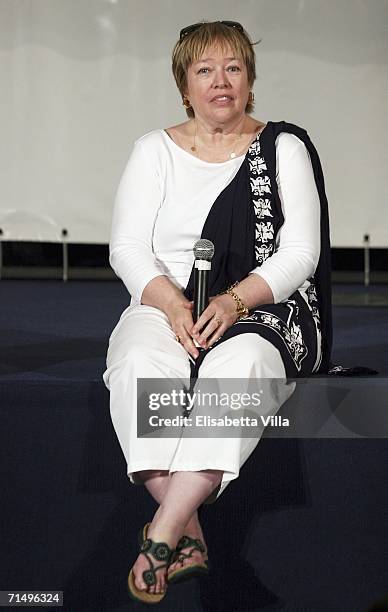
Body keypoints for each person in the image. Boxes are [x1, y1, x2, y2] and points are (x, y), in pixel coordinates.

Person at [102, 20, 328, 604]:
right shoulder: (153, 150)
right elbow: (127, 248)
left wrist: (232, 300)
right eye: (205, 70)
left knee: (238, 368)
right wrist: (173, 305)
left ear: (250, 81)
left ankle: (161, 535)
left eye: (233, 67)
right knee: (136, 367)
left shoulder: (282, 147)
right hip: (167, 299)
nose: (220, 81)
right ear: (184, 85)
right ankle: (190, 534)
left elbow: (301, 252)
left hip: (261, 303)